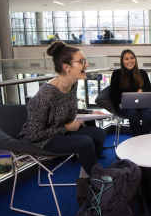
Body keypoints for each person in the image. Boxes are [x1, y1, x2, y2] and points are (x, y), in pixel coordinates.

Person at [17, 41, 106, 179]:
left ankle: (85, 178)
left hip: (60, 131)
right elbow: (33, 135)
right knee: (85, 143)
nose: (86, 64)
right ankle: (96, 180)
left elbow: (66, 110)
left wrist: (92, 112)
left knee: (99, 133)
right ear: (66, 67)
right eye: (82, 61)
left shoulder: (73, 84)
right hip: (42, 140)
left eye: (85, 61)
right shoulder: (47, 94)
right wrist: (66, 128)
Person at [110, 49, 151, 137]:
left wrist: (142, 91)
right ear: (122, 61)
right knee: (133, 113)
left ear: (135, 59)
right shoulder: (116, 74)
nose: (129, 61)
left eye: (132, 58)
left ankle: (144, 137)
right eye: (126, 59)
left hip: (140, 104)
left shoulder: (142, 73)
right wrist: (126, 99)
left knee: (149, 114)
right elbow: (113, 94)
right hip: (123, 106)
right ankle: (137, 138)